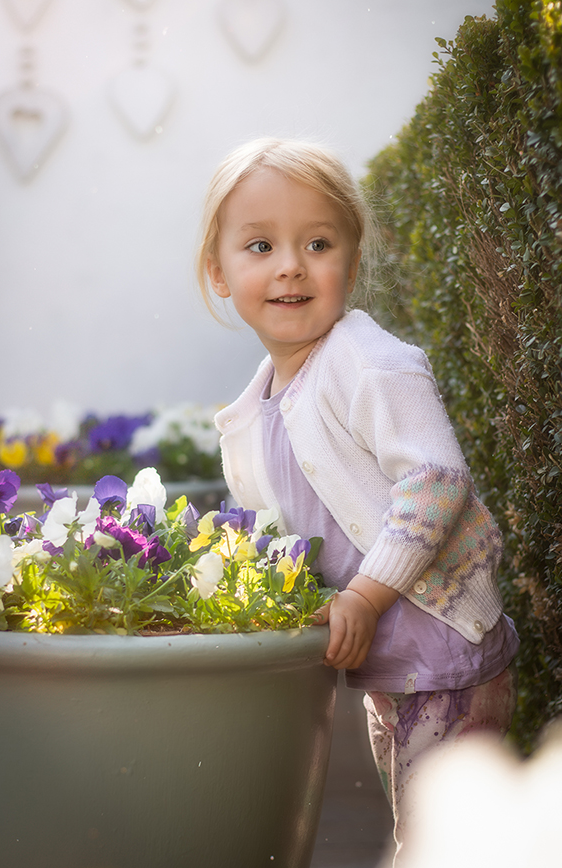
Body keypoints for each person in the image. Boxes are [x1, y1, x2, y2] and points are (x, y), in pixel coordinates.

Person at [196, 138, 519, 865]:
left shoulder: (369, 364)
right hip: (390, 670)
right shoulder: (256, 410)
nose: (290, 264)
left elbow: (436, 480)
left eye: (317, 242)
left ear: (352, 254)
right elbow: (289, 531)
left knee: (443, 846)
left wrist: (367, 598)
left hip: (446, 652)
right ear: (218, 272)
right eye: (259, 245)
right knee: (420, 836)